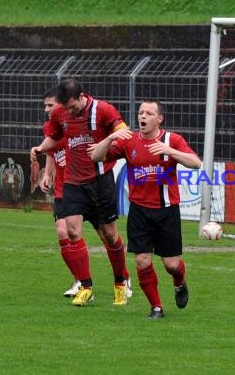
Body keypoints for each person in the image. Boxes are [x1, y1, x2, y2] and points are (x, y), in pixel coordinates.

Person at [91, 100, 201, 319]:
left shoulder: (172, 140)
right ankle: (156, 307)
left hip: (167, 210)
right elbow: (96, 157)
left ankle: (179, 282)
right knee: (142, 260)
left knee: (171, 265)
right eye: (141, 112)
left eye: (149, 113)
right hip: (139, 212)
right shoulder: (129, 141)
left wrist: (169, 151)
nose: (142, 116)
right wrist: (111, 137)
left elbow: (196, 163)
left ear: (159, 119)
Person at [30, 78, 131, 307]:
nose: (69, 112)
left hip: (100, 181)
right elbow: (55, 137)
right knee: (72, 231)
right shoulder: (60, 113)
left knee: (110, 235)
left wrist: (105, 143)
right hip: (73, 182)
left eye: (73, 107)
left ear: (82, 96)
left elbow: (125, 134)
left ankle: (120, 283)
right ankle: (86, 287)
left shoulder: (103, 109)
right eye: (65, 108)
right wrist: (40, 148)